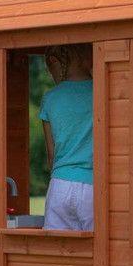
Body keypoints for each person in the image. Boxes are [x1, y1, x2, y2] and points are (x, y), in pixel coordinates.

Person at [40, 44, 94, 231]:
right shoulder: (102, 90)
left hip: (59, 185)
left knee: (56, 246)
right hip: (93, 186)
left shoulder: (50, 98)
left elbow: (51, 156)